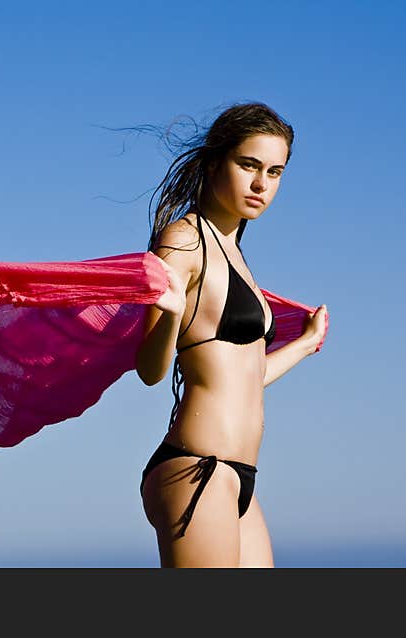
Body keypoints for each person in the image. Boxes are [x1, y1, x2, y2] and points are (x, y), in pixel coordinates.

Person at [135, 102, 329, 568]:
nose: (263, 184)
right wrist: (172, 311)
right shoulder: (183, 241)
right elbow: (149, 369)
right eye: (250, 165)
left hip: (240, 477)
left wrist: (303, 345)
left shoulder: (235, 253)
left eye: (276, 172)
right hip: (197, 468)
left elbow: (244, 375)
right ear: (214, 162)